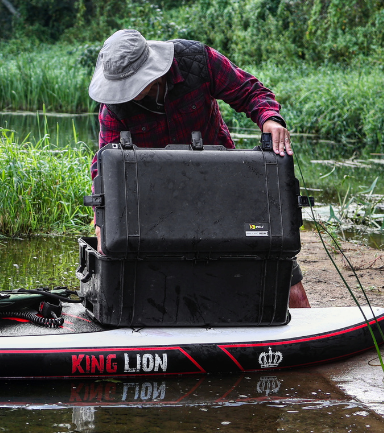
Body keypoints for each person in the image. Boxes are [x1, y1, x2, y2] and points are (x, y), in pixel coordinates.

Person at [87, 29, 310, 308]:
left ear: (150, 70)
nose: (125, 94)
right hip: (157, 194)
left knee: (270, 253)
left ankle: (302, 315)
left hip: (219, 177)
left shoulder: (196, 62)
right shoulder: (115, 109)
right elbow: (105, 165)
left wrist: (269, 119)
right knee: (172, 269)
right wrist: (102, 221)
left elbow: (248, 90)